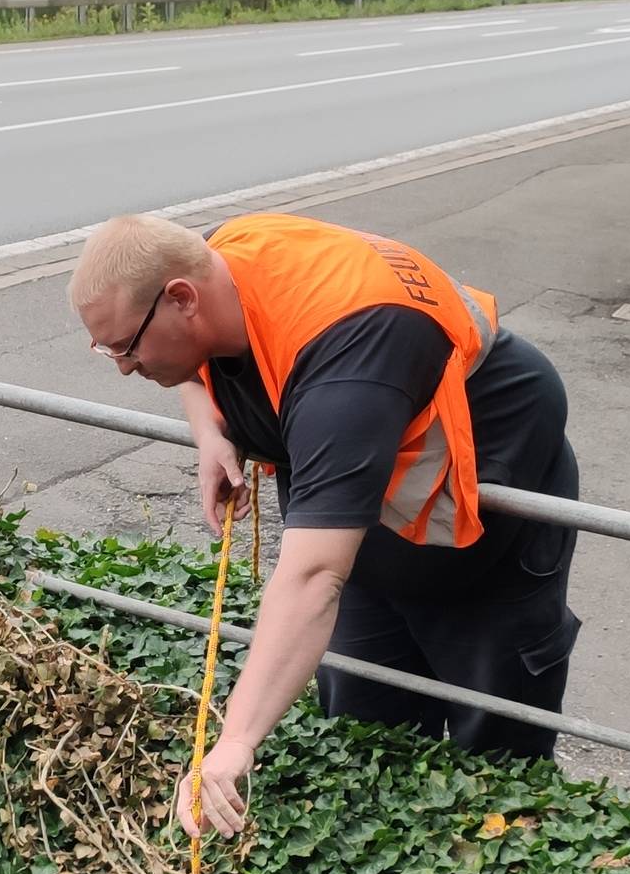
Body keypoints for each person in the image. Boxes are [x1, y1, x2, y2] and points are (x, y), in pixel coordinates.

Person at [68, 211, 583, 837]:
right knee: (365, 722)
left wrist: (235, 743)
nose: (123, 366)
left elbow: (314, 576)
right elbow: (194, 355)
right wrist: (211, 431)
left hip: (481, 518)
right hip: (363, 528)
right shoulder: (216, 258)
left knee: (493, 751)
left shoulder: (351, 358)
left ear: (182, 299)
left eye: (125, 347)